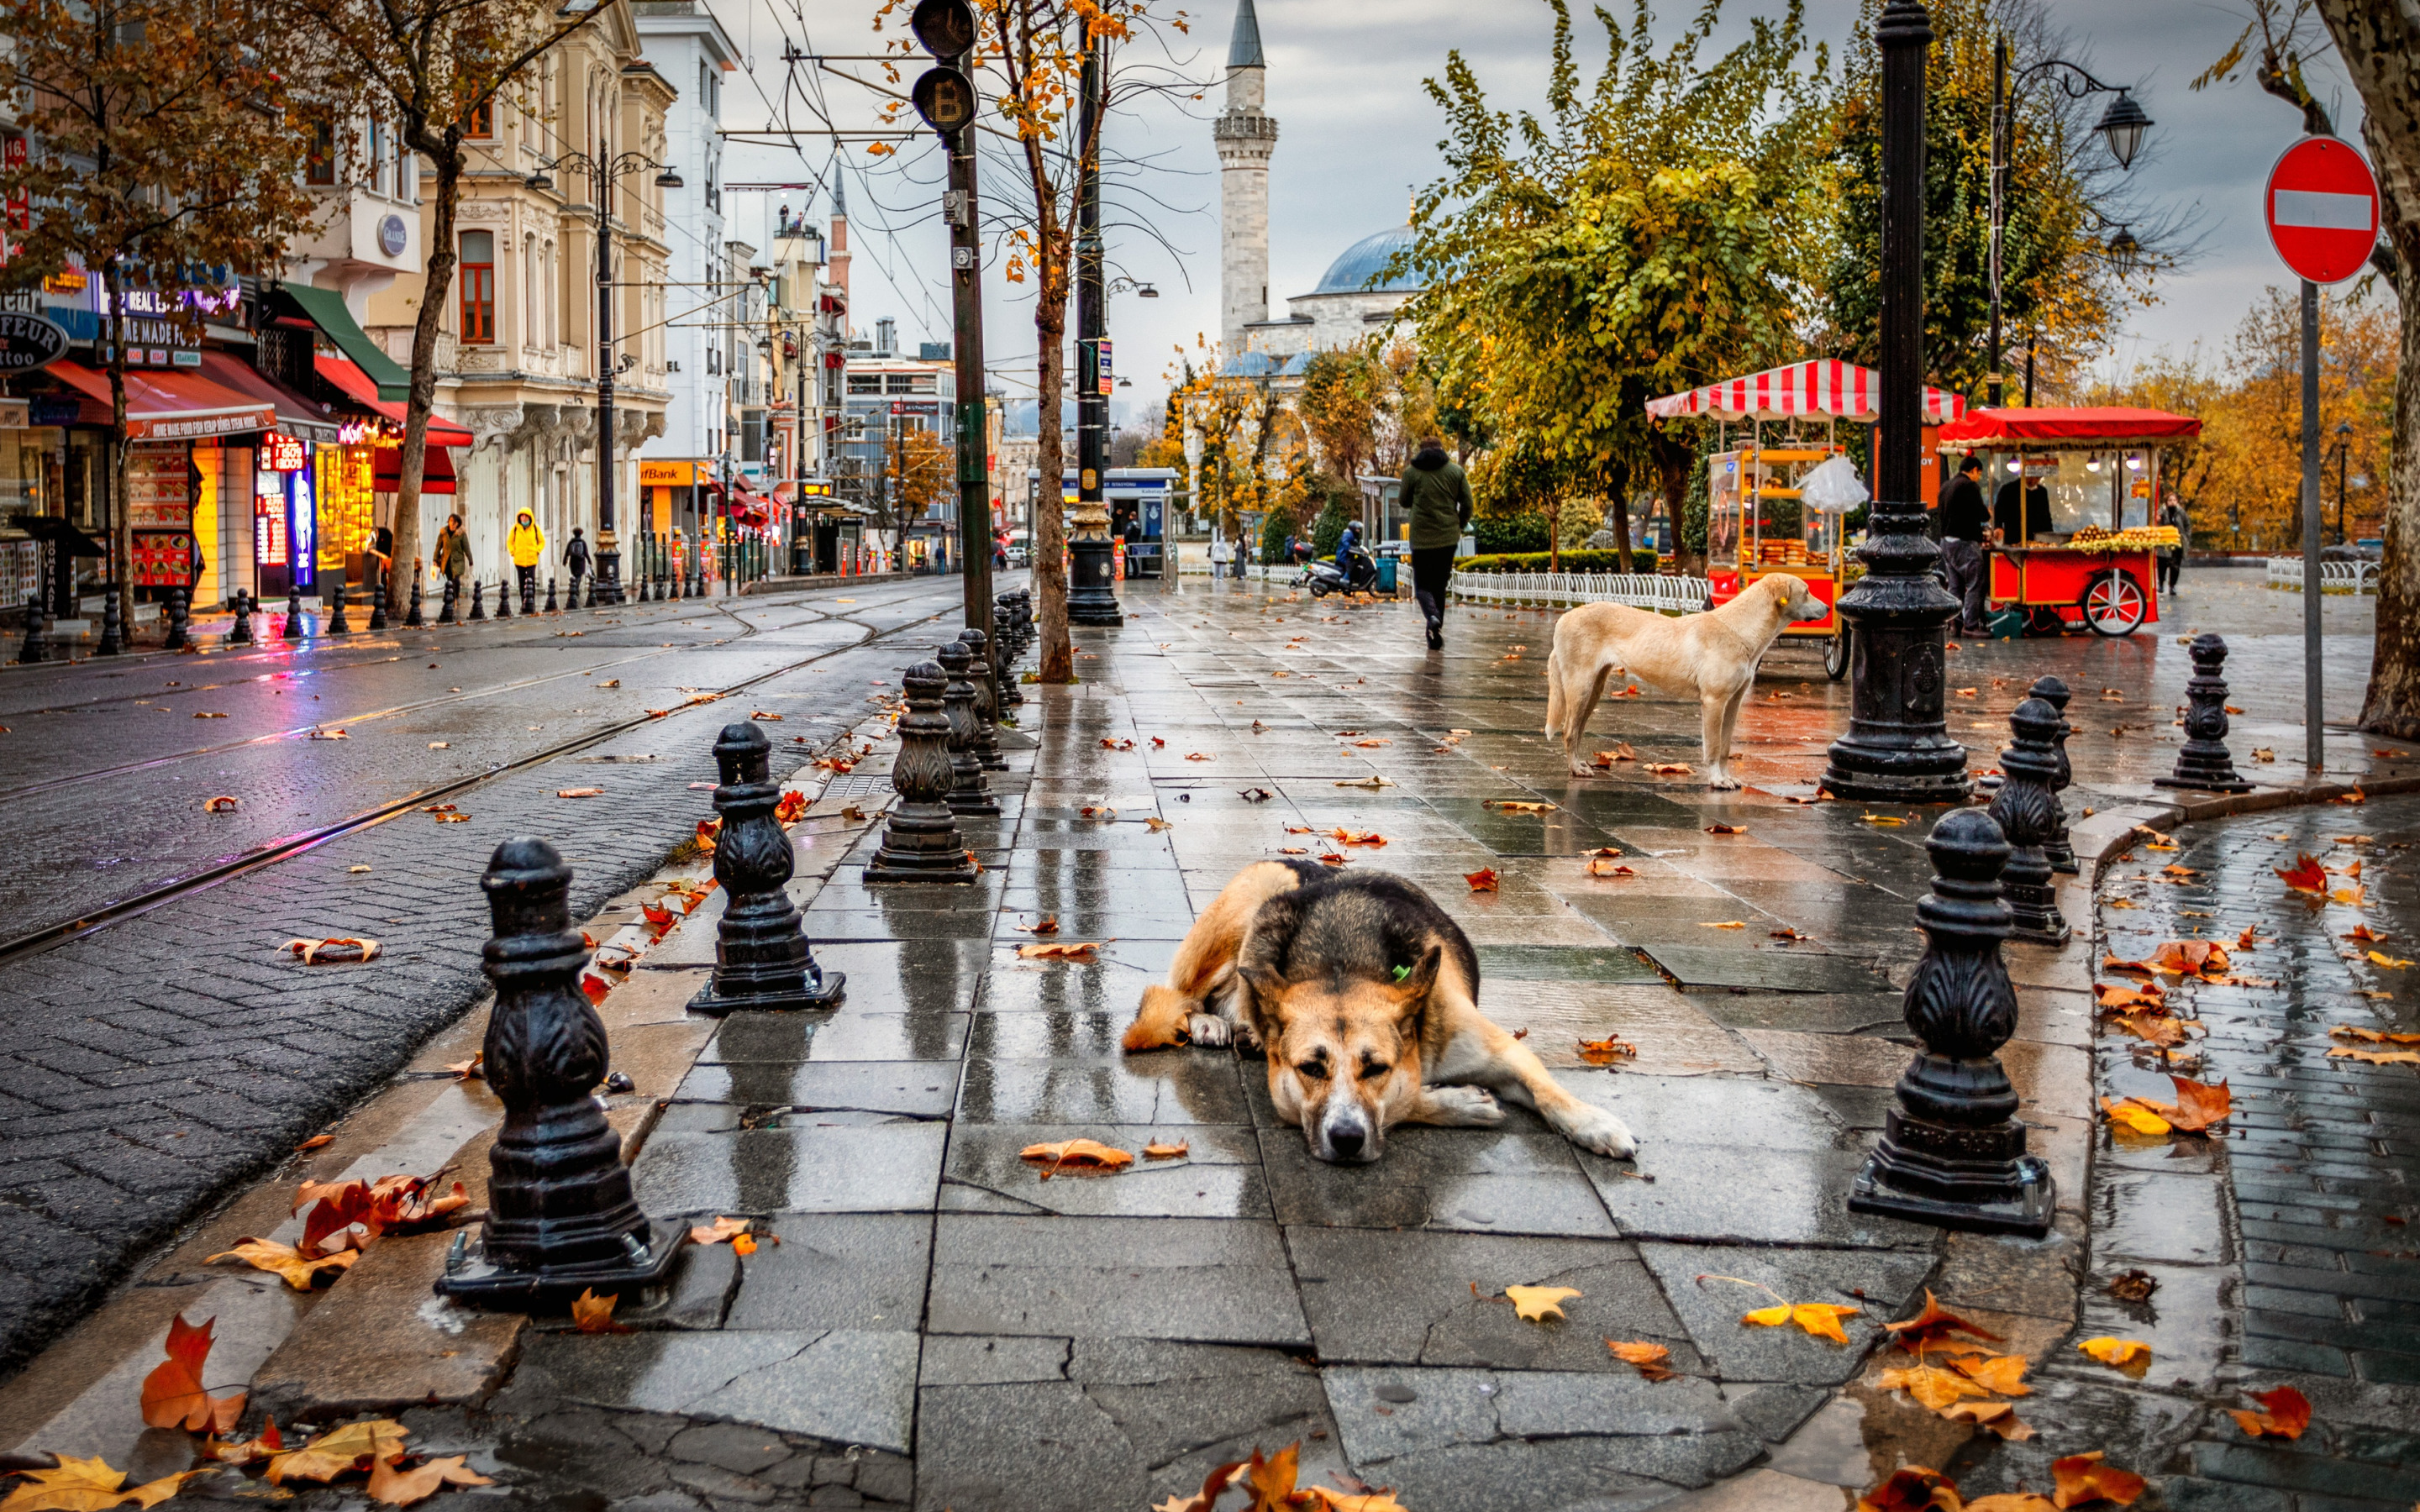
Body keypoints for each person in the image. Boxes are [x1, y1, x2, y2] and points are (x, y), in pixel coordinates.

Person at [1401, 435, 1474, 650]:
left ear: (1420, 451)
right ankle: (1434, 632)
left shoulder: (1411, 473)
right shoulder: (1455, 472)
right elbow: (1468, 504)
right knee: (1439, 586)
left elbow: (1404, 501)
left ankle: (1432, 618)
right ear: (1441, 449)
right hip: (1448, 537)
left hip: (1422, 538)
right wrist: (1458, 524)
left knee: (1422, 586)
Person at [1938, 454, 1991, 636]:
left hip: (1946, 542)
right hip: (1964, 542)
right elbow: (1982, 514)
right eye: (1979, 473)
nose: (1979, 477)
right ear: (1974, 470)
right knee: (1976, 582)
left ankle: (1955, 623)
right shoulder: (1969, 486)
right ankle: (1971, 625)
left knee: (1955, 585)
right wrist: (1988, 514)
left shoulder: (1946, 486)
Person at [1993, 468, 2051, 543]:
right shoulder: (2008, 489)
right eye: (2030, 477)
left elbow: (2046, 516)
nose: (2033, 481)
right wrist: (1998, 526)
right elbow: (1998, 510)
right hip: (2014, 537)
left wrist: (2050, 536)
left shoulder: (2042, 492)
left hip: (2038, 539)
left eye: (2037, 478)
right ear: (2024, 474)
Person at [507, 508, 545, 607]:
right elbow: (509, 542)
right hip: (519, 560)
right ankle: (523, 601)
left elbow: (542, 541)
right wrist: (513, 552)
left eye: (526, 516)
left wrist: (537, 550)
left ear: (529, 517)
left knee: (530, 581)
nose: (524, 518)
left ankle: (531, 601)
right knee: (522, 581)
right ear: (519, 518)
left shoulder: (535, 528)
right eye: (522, 516)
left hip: (532, 560)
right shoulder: (515, 529)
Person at [2157, 497, 2186, 596]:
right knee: (2162, 564)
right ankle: (2161, 582)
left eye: (2174, 500)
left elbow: (2187, 526)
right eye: (2170, 500)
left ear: (2177, 502)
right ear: (2166, 502)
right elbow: (2157, 523)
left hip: (2177, 542)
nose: (2172, 502)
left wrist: (2185, 538)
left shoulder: (2181, 512)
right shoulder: (2162, 512)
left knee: (2175, 566)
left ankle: (2172, 586)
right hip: (2165, 541)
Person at [564, 526, 592, 601]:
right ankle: (576, 588)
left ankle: (574, 588)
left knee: (574, 574)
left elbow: (567, 552)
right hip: (580, 561)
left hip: (573, 561)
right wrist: (589, 560)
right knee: (579, 576)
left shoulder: (571, 542)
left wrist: (565, 560)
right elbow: (586, 553)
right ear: (581, 534)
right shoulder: (583, 542)